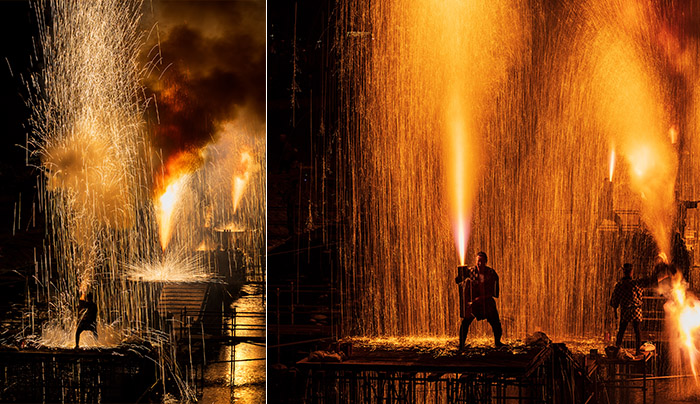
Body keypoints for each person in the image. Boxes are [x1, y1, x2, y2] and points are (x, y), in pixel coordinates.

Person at [609, 263, 664, 354]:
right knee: (637, 331)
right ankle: (638, 350)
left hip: (625, 310)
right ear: (631, 272)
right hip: (636, 310)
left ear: (624, 272)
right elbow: (650, 281)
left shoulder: (619, 285)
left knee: (621, 330)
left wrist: (615, 310)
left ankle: (617, 348)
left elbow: (615, 300)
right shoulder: (636, 283)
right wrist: (663, 274)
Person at [455, 251, 503, 349]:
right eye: (478, 261)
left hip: (487, 303)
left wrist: (481, 298)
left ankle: (498, 342)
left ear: (486, 262)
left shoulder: (491, 273)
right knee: (465, 323)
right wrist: (460, 277)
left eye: (481, 261)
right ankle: (461, 344)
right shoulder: (472, 272)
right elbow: (459, 280)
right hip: (475, 304)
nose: (479, 263)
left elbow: (492, 292)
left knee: (496, 323)